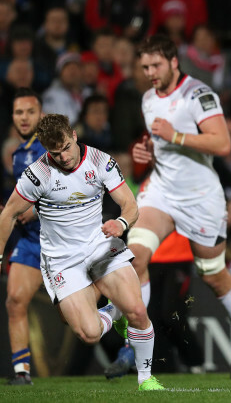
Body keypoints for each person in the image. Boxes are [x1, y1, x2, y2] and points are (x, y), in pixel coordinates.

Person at [0, 113, 164, 390]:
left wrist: (121, 223)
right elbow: (8, 214)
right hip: (61, 260)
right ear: (45, 149)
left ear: (74, 136)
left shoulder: (100, 161)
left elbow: (130, 205)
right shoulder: (37, 175)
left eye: (66, 147)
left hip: (99, 245)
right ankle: (113, 312)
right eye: (55, 152)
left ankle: (146, 380)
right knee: (89, 333)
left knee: (137, 309)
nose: (63, 157)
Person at [128, 34, 231, 379]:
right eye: (144, 67)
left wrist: (176, 136)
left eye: (155, 65)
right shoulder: (147, 98)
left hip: (200, 197)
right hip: (162, 192)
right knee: (134, 257)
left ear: (173, 61)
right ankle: (136, 343)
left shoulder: (197, 94)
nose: (150, 72)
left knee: (212, 274)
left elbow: (222, 142)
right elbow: (161, 144)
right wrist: (147, 152)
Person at [4, 88, 46, 385]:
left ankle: (114, 312)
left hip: (62, 240)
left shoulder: (53, 147)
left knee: (80, 324)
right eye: (19, 112)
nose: (24, 117)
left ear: (41, 114)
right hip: (32, 241)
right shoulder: (19, 153)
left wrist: (37, 209)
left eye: (30, 111)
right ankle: (22, 372)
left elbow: (73, 191)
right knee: (15, 301)